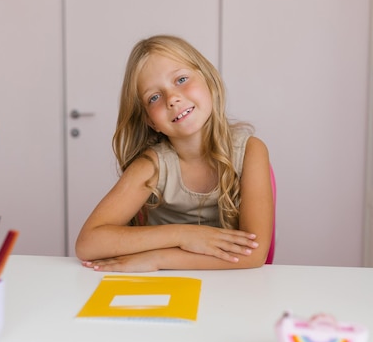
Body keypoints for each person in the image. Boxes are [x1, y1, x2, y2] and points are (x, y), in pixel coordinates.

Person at [75, 34, 273, 272]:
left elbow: (254, 254)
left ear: (209, 80)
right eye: (154, 97)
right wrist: (183, 235)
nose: (172, 99)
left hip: (229, 287)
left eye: (181, 79)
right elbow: (88, 244)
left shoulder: (251, 151)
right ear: (150, 121)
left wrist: (157, 259)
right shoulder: (151, 166)